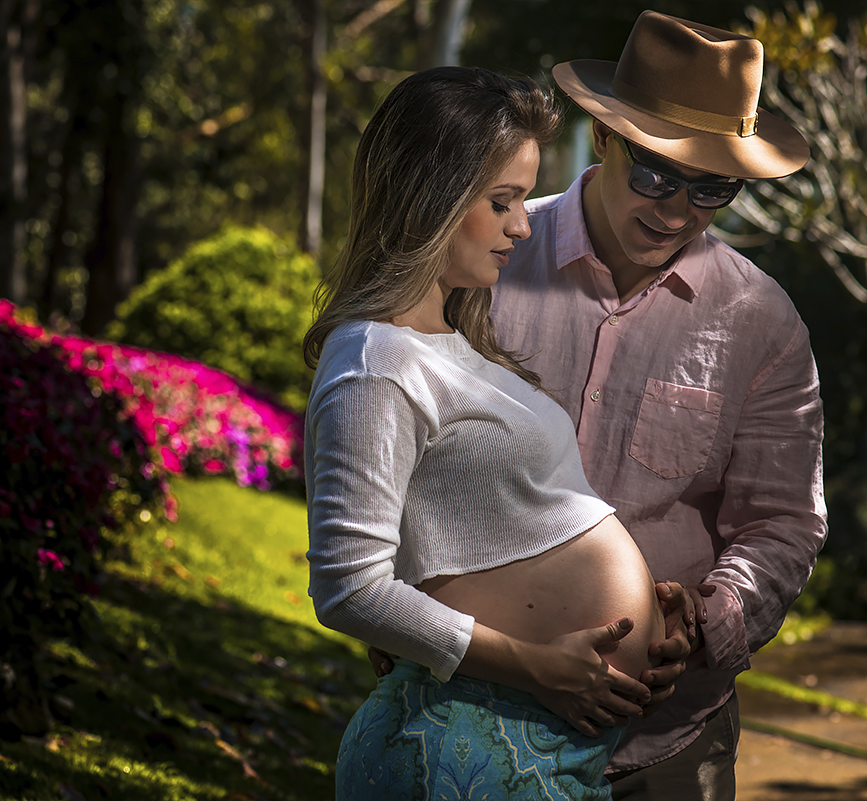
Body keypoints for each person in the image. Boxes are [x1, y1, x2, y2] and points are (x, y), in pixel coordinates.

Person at [303, 66, 677, 800]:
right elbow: (348, 588)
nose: (523, 224)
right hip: (464, 736)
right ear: (430, 199)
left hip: (514, 744)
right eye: (501, 201)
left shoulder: (454, 344)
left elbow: (496, 533)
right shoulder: (377, 360)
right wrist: (534, 663)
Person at [483, 10, 829, 801]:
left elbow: (784, 521)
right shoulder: (488, 259)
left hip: (666, 743)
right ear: (602, 138)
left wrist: (707, 622)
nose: (676, 210)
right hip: (480, 716)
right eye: (655, 174)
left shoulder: (763, 322)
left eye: (712, 188)